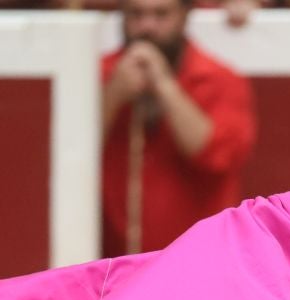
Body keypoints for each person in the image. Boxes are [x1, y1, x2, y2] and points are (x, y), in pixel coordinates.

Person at [100, 0, 257, 256]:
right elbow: (69, 154)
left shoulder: (221, 80)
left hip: (200, 258)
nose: (147, 27)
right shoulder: (99, 74)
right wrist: (113, 95)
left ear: (185, 16)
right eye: (135, 14)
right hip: (112, 262)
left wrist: (164, 86)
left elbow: (217, 157)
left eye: (161, 14)